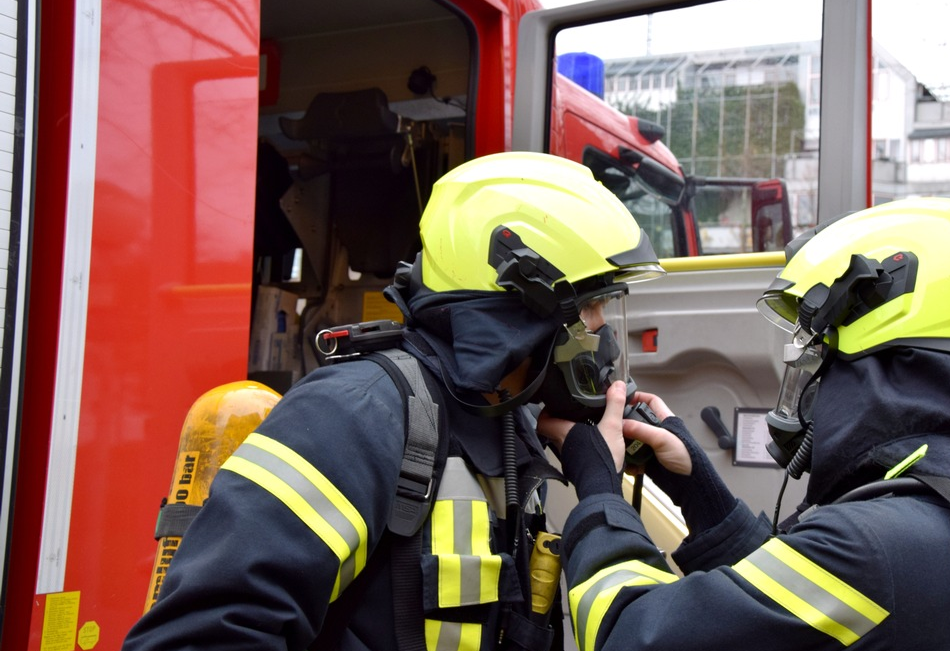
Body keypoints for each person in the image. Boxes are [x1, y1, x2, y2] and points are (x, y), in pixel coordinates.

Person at [122, 151, 664, 651]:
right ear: (522, 307)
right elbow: (198, 636)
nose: (601, 332)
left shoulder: (501, 415)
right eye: (593, 305)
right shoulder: (352, 414)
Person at [540, 197, 950, 651]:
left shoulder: (870, 546)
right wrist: (702, 493)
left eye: (821, 358)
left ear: (877, 367)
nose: (810, 386)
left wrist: (599, 491)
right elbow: (794, 608)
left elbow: (632, 636)